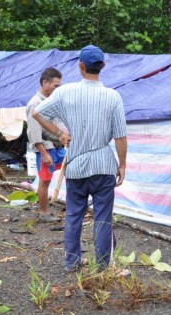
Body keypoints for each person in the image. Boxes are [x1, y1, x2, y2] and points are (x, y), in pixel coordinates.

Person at [32, 45, 127, 272]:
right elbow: (120, 136)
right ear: (102, 66)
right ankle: (103, 266)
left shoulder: (66, 92)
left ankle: (71, 262)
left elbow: (37, 113)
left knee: (74, 215)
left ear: (81, 66)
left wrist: (60, 134)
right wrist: (122, 165)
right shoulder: (113, 96)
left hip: (76, 164)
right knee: (103, 217)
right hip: (104, 164)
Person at [25, 67, 65, 223]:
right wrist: (44, 153)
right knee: (45, 180)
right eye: (55, 85)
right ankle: (43, 213)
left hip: (56, 146)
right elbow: (34, 134)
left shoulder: (48, 101)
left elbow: (51, 127)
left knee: (69, 171)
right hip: (46, 148)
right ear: (45, 82)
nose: (57, 89)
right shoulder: (35, 103)